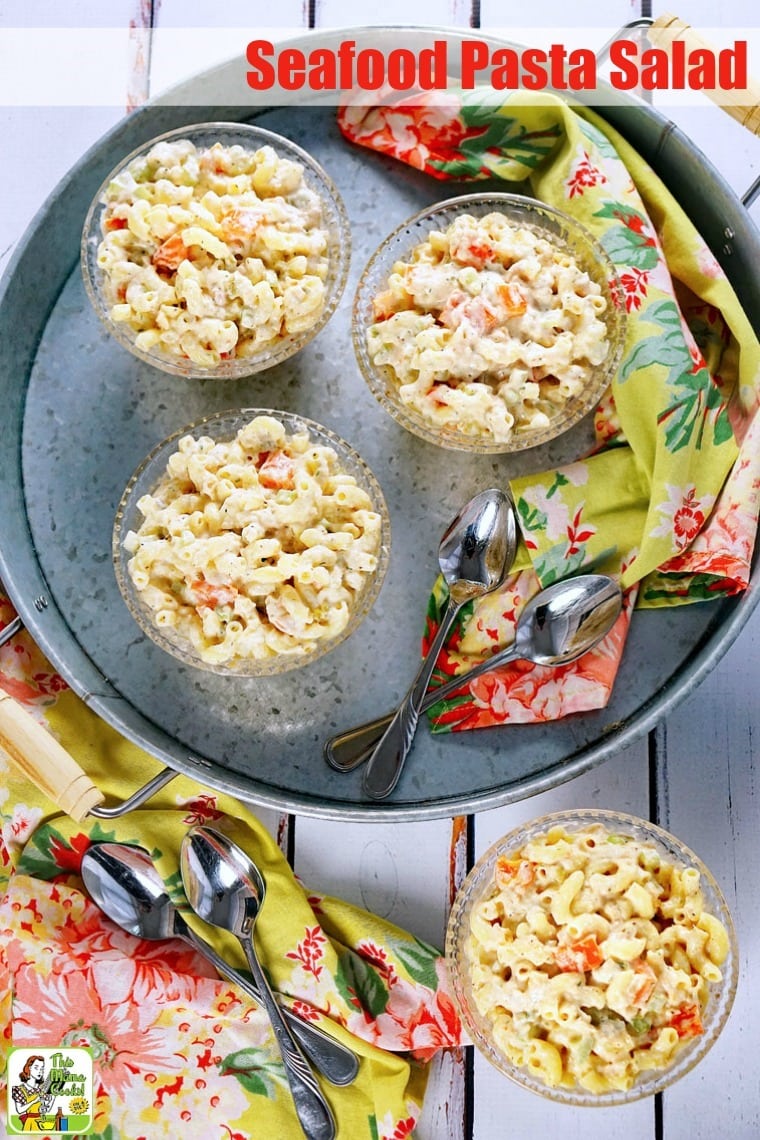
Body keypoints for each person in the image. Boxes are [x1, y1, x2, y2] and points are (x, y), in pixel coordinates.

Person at [11, 1055, 56, 1132]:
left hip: (40, 1124)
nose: (40, 1071)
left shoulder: (41, 1089)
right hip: (29, 1124)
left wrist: (53, 1095)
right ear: (29, 1068)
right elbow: (19, 1110)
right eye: (36, 1068)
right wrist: (34, 1101)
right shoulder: (19, 1090)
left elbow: (47, 1110)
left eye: (42, 1069)